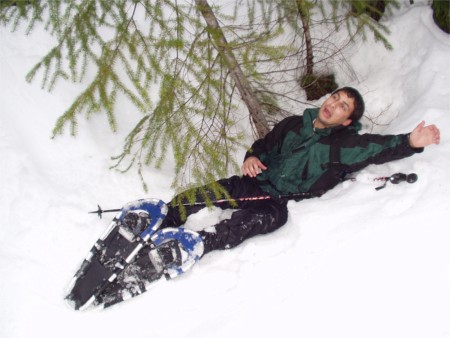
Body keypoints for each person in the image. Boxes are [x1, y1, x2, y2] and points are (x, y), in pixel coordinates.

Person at [160, 87, 440, 256]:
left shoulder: (343, 145)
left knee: (240, 226)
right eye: (335, 97)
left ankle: (189, 247)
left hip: (278, 204)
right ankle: (162, 218)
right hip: (258, 182)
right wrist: (252, 156)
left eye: (343, 106)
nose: (333, 104)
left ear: (347, 121)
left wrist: (411, 142)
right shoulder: (293, 123)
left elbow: (377, 148)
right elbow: (264, 145)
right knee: (206, 194)